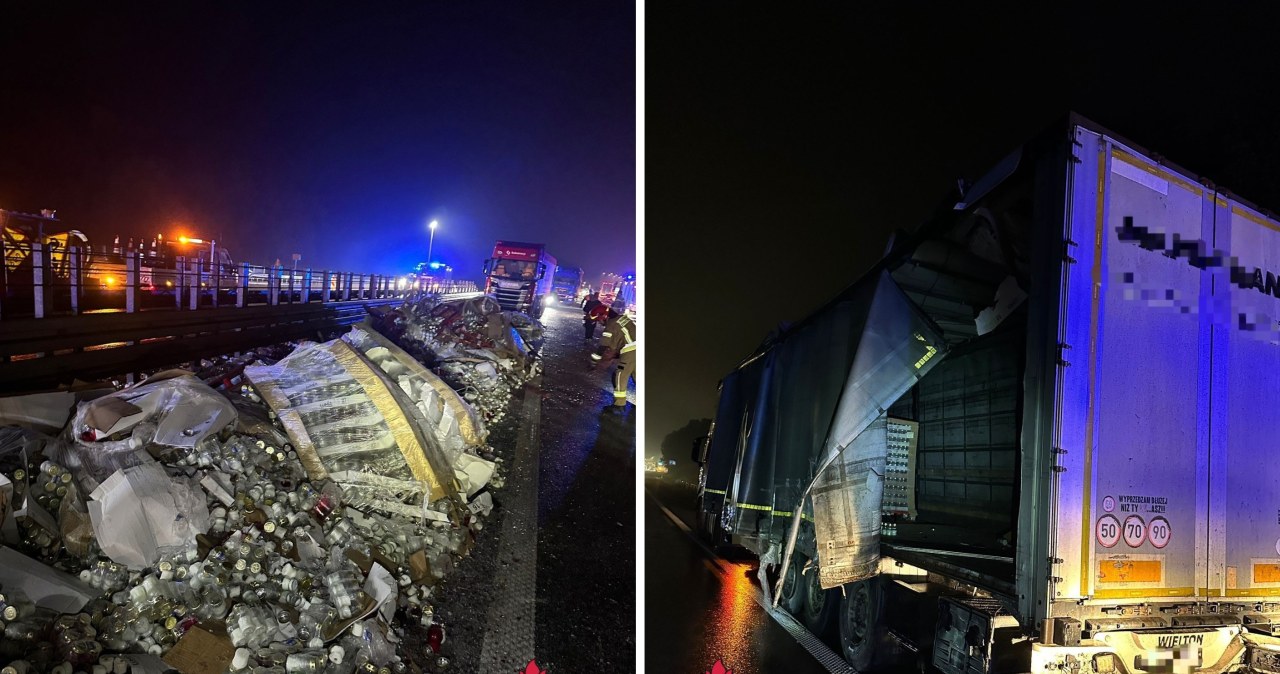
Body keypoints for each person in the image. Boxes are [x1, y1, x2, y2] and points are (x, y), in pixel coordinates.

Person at [591, 304, 637, 409]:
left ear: (603, 316)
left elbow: (603, 346)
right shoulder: (622, 318)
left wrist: (594, 361)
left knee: (620, 375)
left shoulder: (610, 325)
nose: (599, 322)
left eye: (599, 319)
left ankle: (619, 405)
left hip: (630, 351)